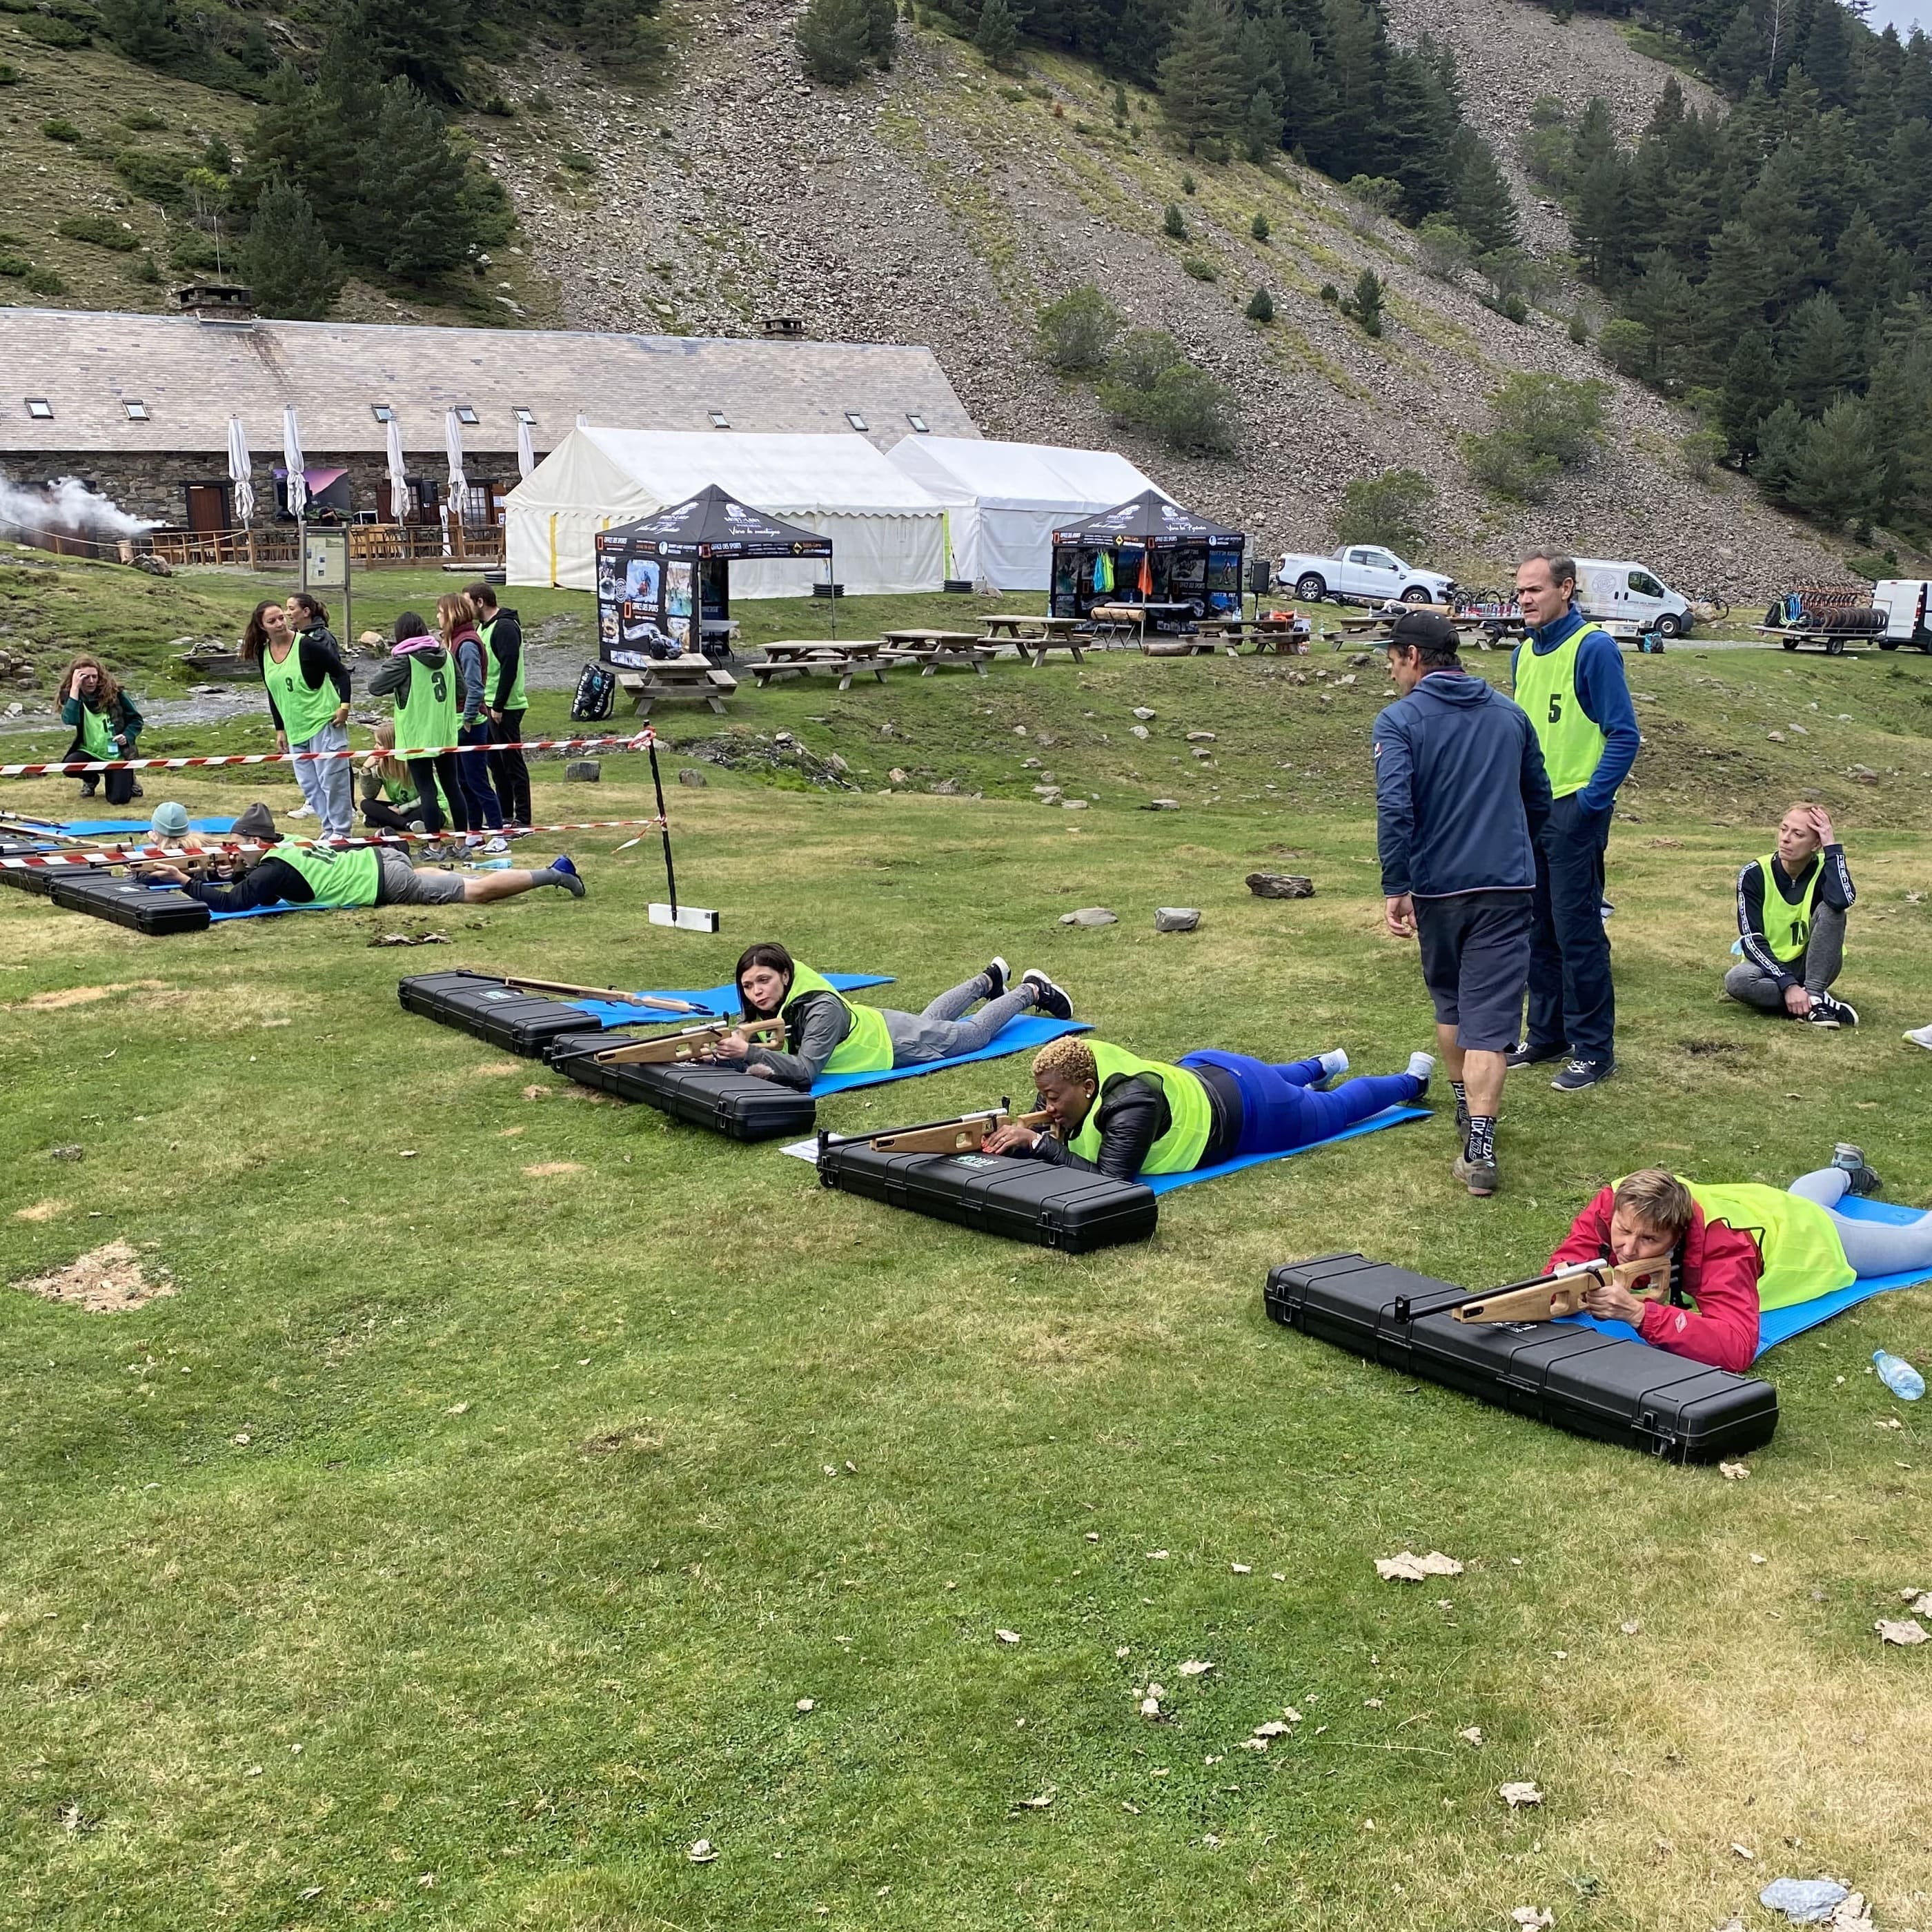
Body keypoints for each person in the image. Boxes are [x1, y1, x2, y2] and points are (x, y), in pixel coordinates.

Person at [1374, 609, 1552, 1198]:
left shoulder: (1400, 721)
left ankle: (1469, 1122)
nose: (1392, 671)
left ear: (1415, 658)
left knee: (1452, 1002)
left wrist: (1396, 886)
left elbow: (1395, 808)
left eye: (1394, 659)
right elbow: (1539, 801)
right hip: (1507, 885)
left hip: (1438, 889)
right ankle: (1479, 1143)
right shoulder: (1510, 715)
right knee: (1491, 1019)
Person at [1549, 1151, 1932, 1374]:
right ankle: (1846, 1171)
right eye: (1623, 1231)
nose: (1628, 1249)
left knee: (1921, 1244)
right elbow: (1568, 1258)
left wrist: (1638, 1315)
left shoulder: (1722, 1246)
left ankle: (1845, 1173)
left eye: (1649, 1239)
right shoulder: (1617, 1198)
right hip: (1763, 1203)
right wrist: (1564, 1278)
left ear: (1678, 1235)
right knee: (1801, 1197)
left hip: (1814, 1238)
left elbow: (1736, 1348)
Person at [1508, 550, 1640, 1093]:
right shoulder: (1522, 655)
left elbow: (1623, 734)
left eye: (1535, 589)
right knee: (1537, 929)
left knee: (1577, 931)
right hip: (1529, 813)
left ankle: (1594, 1049)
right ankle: (1547, 1034)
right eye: (1519, 591)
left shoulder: (1594, 648)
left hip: (1572, 812)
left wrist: (1590, 802)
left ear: (1567, 589)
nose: (1525, 600)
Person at [982, 1034, 1435, 1183]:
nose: (1048, 1105)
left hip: (1256, 1109)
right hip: (1208, 1068)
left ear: (1086, 1087)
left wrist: (1039, 1144)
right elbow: (1043, 1114)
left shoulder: (1131, 1105)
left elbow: (1110, 1182)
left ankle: (1412, 1080)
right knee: (1279, 1077)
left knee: (1335, 1110)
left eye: (1055, 1099)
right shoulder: (1069, 1066)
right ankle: (1320, 1063)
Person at [705, 945, 1074, 1091]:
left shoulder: (821, 1009)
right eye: (749, 985)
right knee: (932, 1021)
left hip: (891, 1045)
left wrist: (748, 1055)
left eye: (764, 981)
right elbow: (756, 1042)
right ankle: (988, 980)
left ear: (786, 976)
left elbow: (804, 1071)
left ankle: (1031, 990)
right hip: (878, 1026)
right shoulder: (779, 1003)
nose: (757, 992)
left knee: (972, 1036)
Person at [139, 802, 584, 912]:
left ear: (254, 846)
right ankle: (446, 870)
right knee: (440, 878)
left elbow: (232, 902)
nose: (231, 858)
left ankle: (553, 874)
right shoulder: (287, 842)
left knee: (474, 893)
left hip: (386, 883)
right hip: (382, 859)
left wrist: (181, 881)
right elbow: (248, 886)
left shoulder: (271, 870)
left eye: (237, 851)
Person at [1724, 803, 1857, 1028]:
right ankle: (1816, 1003)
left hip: (1816, 967)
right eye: (1783, 829)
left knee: (1832, 910)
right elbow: (1751, 939)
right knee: (1737, 981)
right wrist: (1788, 985)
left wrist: (1832, 847)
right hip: (1767, 967)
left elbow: (1843, 900)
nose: (1786, 839)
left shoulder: (1827, 868)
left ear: (1816, 844)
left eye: (1798, 834)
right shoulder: (1754, 873)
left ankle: (1813, 993)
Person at [253, 593, 353, 840]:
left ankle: (341, 833)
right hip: (296, 727)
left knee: (332, 781)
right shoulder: (263, 653)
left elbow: (341, 673)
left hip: (324, 722)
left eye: (281, 617)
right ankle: (328, 828)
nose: (280, 623)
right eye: (273, 621)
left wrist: (345, 706)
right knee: (310, 785)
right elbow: (273, 691)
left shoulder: (307, 645)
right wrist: (280, 728)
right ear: (262, 627)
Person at [366, 613, 470, 839]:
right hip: (444, 733)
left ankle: (434, 846)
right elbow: (462, 692)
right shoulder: (448, 657)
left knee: (427, 789)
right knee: (452, 787)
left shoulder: (404, 661)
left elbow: (374, 686)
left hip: (416, 736)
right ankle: (462, 843)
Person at [468, 581, 531, 829]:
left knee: (513, 763)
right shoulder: (484, 628)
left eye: (467, 603)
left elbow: (509, 668)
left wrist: (499, 706)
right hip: (490, 703)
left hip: (506, 707)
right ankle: (505, 814)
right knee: (496, 763)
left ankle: (523, 819)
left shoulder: (504, 627)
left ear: (480, 602)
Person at [442, 591, 504, 840]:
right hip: (458, 722)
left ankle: (498, 836)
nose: (437, 617)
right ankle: (475, 831)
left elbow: (475, 686)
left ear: (451, 614)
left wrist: (467, 718)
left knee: (478, 782)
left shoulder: (466, 644)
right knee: (464, 782)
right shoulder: (455, 641)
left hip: (471, 724)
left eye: (440, 612)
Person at [57, 656, 144, 807]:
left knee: (118, 800)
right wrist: (75, 690)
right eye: (85, 677)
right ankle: (91, 780)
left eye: (94, 677)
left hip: (117, 755)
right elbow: (70, 719)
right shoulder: (72, 696)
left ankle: (130, 780)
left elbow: (136, 720)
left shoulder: (116, 694)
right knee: (69, 766)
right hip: (90, 752)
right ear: (76, 678)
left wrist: (127, 736)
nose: (91, 681)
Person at [357, 722, 425, 836]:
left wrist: (402, 810)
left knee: (433, 813)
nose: (375, 747)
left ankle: (384, 821)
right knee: (366, 804)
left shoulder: (413, 764)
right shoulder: (381, 765)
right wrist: (365, 770)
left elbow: (432, 797)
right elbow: (370, 795)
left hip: (417, 807)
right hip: (397, 808)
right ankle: (407, 825)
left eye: (379, 744)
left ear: (392, 746)